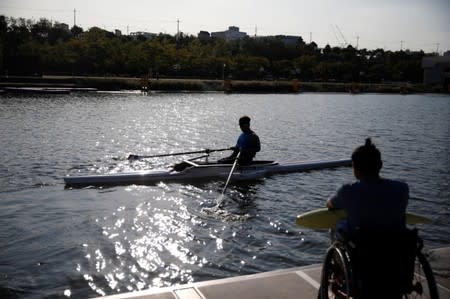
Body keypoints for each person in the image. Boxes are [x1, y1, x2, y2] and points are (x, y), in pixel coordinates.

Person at [325, 138, 410, 298]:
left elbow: (330, 204)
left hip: (364, 251)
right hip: (396, 254)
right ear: (380, 166)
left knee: (338, 229)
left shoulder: (348, 191)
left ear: (355, 168)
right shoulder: (402, 188)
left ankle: (340, 274)